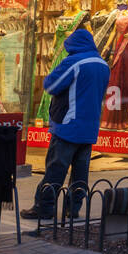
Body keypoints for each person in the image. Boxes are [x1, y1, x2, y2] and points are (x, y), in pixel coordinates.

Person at [22, 16, 110, 221]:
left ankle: (44, 207)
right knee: (80, 173)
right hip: (90, 129)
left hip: (68, 125)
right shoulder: (102, 65)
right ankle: (74, 209)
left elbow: (51, 85)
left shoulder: (74, 62)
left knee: (56, 169)